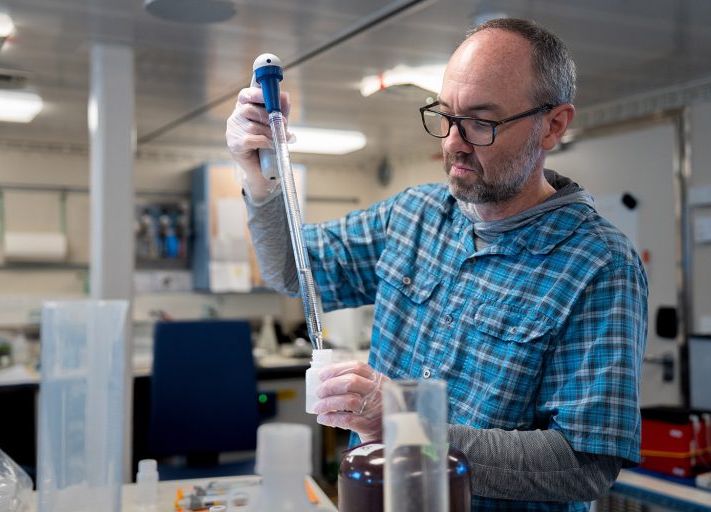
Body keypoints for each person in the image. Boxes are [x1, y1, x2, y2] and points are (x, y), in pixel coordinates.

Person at [227, 18, 647, 512]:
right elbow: (293, 272)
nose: (452, 142)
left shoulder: (598, 264)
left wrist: (404, 422)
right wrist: (258, 176)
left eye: (480, 123)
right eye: (446, 116)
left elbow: (582, 464)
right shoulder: (414, 215)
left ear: (553, 124)